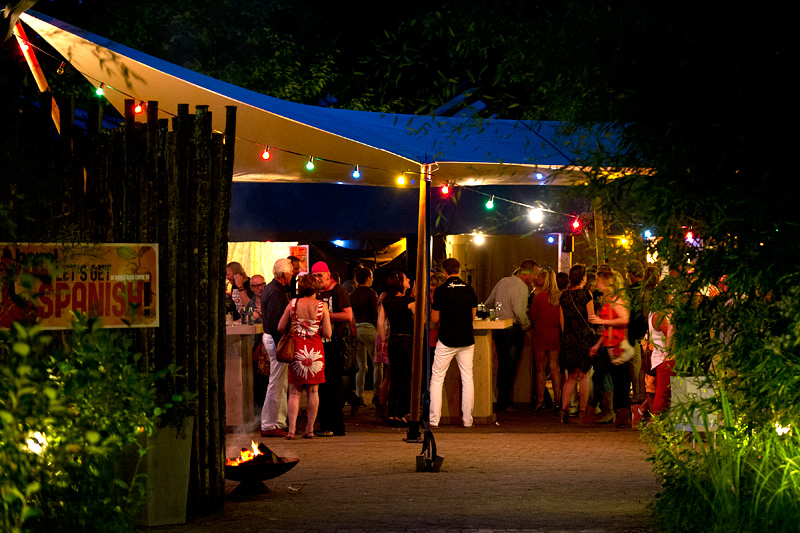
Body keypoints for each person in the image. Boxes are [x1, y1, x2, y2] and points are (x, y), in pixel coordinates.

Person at [277, 274, 332, 439]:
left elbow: (280, 327)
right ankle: (310, 429)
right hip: (315, 351)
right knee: (313, 391)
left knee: (294, 392)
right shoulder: (322, 306)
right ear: (316, 288)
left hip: (297, 349)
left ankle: (292, 430)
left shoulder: (293, 304)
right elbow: (328, 333)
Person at [428, 258, 478, 428]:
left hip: (446, 339)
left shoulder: (441, 291)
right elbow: (473, 316)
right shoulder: (469, 289)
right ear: (459, 270)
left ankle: (434, 420)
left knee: (437, 378)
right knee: (467, 378)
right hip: (466, 339)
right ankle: (468, 420)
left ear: (445, 271)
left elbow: (435, 318)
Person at [484, 259, 538, 412]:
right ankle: (505, 403)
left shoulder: (502, 282)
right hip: (513, 330)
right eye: (534, 273)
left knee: (502, 365)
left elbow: (488, 303)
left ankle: (500, 400)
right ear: (526, 273)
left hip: (499, 329)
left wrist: (494, 317)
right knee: (510, 367)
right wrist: (527, 327)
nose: (535, 277)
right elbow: (519, 312)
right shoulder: (521, 287)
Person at [313, 261, 353, 437]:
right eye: (314, 276)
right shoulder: (317, 293)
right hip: (320, 343)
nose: (317, 279)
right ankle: (326, 424)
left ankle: (335, 425)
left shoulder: (338, 291)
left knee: (333, 386)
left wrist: (326, 316)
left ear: (328, 275)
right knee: (322, 386)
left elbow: (348, 315)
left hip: (333, 343)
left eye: (320, 275)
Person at [589, 269, 632, 427]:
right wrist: (597, 345)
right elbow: (609, 327)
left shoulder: (616, 300)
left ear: (606, 283)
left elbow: (624, 319)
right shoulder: (609, 300)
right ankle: (619, 413)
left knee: (605, 377)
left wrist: (602, 321)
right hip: (609, 344)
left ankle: (599, 410)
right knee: (613, 378)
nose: (596, 283)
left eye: (598, 280)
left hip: (616, 344)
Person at [259, 259, 294, 437]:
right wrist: (283, 343)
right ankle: (268, 424)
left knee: (280, 381)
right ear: (283, 275)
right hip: (275, 339)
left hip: (272, 338)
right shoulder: (276, 292)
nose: (292, 274)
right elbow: (275, 323)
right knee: (276, 382)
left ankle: (278, 421)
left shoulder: (273, 289)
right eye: (291, 272)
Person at [558, 263, 596, 424]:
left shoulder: (564, 296)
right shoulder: (586, 294)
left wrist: (566, 336)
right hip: (584, 338)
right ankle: (582, 411)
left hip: (569, 338)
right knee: (584, 375)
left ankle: (563, 410)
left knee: (571, 376)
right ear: (582, 278)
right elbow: (591, 317)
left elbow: (562, 321)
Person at [377, 271, 414, 426]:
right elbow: (421, 320)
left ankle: (391, 413)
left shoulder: (387, 301)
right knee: (405, 378)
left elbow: (380, 322)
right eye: (406, 279)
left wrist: (384, 339)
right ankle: (401, 413)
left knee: (394, 377)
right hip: (407, 339)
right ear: (400, 283)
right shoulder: (410, 301)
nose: (409, 280)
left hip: (393, 340)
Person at [529, 268, 562, 412]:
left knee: (540, 368)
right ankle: (558, 400)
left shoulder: (539, 297)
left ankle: (540, 400)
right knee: (554, 367)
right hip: (554, 333)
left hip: (540, 332)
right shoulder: (559, 297)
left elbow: (533, 316)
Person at [349, 266, 378, 405]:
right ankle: (377, 394)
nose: (372, 279)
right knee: (377, 364)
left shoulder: (352, 294)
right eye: (371, 276)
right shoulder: (371, 294)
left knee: (361, 365)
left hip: (356, 330)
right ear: (367, 278)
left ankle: (359, 395)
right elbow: (375, 313)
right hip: (369, 329)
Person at [244, 274, 267, 413]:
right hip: (254, 345)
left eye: (262, 284)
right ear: (251, 288)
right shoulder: (251, 305)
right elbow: (246, 320)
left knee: (267, 379)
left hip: (268, 345)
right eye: (256, 286)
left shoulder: (269, 300)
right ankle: (257, 411)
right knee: (256, 379)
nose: (260, 288)